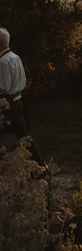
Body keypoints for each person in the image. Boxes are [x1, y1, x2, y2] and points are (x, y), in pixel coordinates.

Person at [0, 27, 44, 165]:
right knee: (24, 137)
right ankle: (41, 166)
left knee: (24, 136)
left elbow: (3, 87)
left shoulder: (3, 62)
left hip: (7, 105)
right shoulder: (15, 57)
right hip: (18, 101)